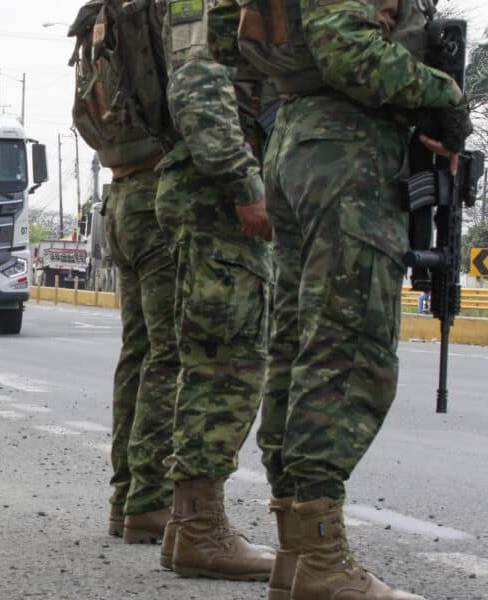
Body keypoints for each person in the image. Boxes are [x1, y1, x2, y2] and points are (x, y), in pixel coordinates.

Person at [237, 0, 472, 597]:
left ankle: (297, 550)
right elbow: (347, 48)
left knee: (298, 345)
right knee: (347, 349)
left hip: (303, 139)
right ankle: (318, 554)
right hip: (346, 154)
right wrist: (441, 92)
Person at [156, 0, 276, 581]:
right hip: (217, 203)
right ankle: (202, 531)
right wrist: (244, 180)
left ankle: (188, 527)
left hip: (211, 197)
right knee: (229, 365)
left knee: (210, 362)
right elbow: (196, 84)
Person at [67, 0, 179, 545]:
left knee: (139, 351)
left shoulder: (102, 18)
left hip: (123, 195)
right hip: (160, 194)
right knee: (169, 352)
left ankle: (127, 498)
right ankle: (150, 500)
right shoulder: (155, 13)